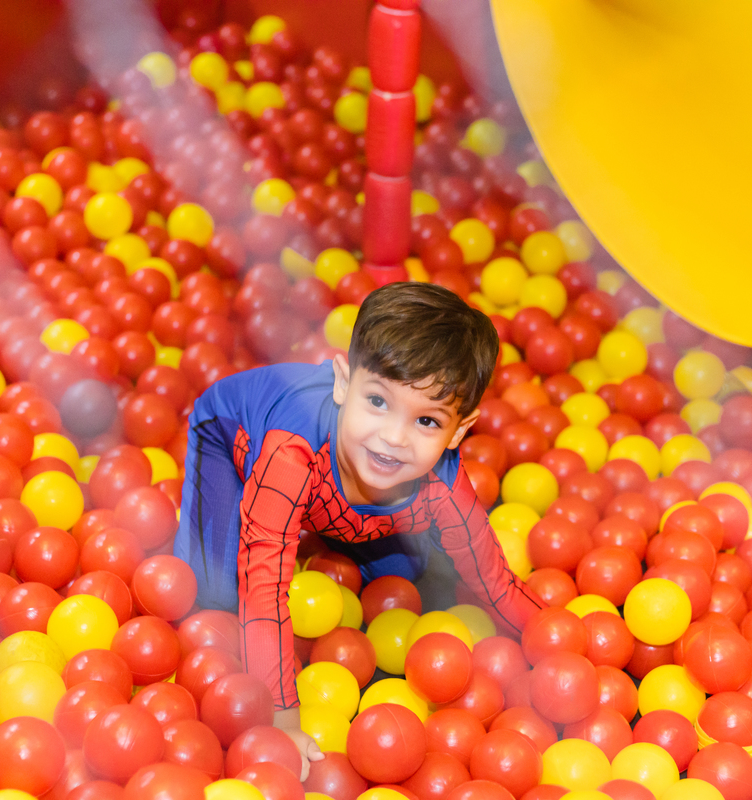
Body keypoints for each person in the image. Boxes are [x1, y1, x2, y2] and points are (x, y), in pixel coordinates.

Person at [174, 282, 545, 776]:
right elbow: (263, 586)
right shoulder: (291, 454)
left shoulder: (442, 482)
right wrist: (282, 718)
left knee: (405, 578)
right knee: (216, 595)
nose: (393, 437)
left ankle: (325, 521)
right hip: (229, 436)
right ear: (344, 384)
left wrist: (555, 641)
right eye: (377, 401)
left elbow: (493, 577)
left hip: (335, 490)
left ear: (459, 432)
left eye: (428, 422)